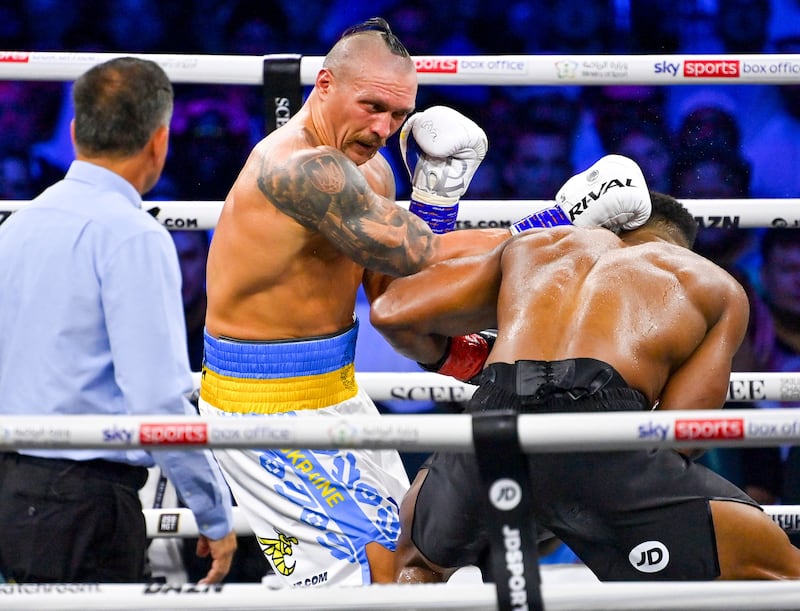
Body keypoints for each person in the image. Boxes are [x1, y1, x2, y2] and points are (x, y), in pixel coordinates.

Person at [198, 16, 651, 588]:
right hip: (261, 410)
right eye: (371, 107)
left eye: (398, 114)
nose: (384, 127)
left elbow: (398, 292)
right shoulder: (300, 168)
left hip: (334, 388)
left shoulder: (372, 169)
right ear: (324, 86)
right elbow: (418, 252)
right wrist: (561, 223)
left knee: (409, 553)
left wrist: (461, 352)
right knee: (364, 582)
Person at [370, 192, 800, 582]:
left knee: (415, 562)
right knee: (776, 566)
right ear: (681, 246)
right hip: (601, 433)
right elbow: (681, 436)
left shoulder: (538, 246)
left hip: (494, 414)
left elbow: (393, 313)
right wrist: (584, 503)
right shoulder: (711, 283)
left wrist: (474, 360)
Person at [0, 57, 237, 584]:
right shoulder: (133, 235)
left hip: (12, 491)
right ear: (160, 141)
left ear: (74, 131)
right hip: (84, 503)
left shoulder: (15, 228)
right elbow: (157, 400)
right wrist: (213, 511)